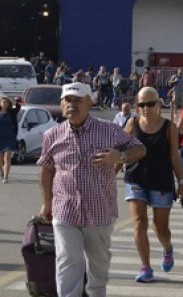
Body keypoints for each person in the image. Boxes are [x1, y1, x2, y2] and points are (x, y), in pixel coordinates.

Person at [38, 82, 146, 297]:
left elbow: (140, 149)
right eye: (67, 101)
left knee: (98, 267)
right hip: (65, 210)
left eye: (78, 100)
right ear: (61, 104)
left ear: (90, 102)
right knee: (68, 261)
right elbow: (47, 170)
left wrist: (120, 157)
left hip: (100, 211)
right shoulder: (52, 135)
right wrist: (47, 202)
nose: (72, 105)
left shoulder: (109, 130)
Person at [123, 89, 183, 283]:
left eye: (150, 104)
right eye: (142, 105)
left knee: (161, 228)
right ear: (137, 105)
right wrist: (110, 173)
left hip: (161, 181)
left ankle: (167, 249)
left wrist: (181, 182)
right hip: (136, 179)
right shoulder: (132, 124)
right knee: (139, 224)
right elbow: (122, 151)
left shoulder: (170, 128)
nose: (146, 109)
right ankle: (146, 267)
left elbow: (175, 156)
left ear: (159, 104)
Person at [0, 96, 20, 182]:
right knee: (0, 159)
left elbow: (18, 106)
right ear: (0, 104)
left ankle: (6, 177)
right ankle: (0, 171)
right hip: (0, 137)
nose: (5, 104)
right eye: (3, 102)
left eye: (6, 102)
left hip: (10, 137)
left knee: (7, 158)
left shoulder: (12, 113)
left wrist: (10, 99)